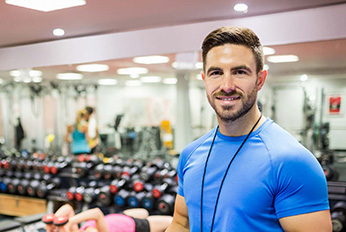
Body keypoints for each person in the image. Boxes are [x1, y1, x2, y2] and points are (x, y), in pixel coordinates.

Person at [166, 26, 332, 231]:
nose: (227, 85)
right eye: (216, 73)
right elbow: (181, 222)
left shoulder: (291, 161)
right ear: (205, 80)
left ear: (260, 79)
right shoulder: (191, 154)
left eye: (239, 72)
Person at [44, 204, 173, 232]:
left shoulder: (73, 230)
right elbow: (96, 212)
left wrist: (53, 221)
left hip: (120, 216)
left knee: (144, 210)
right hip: (134, 225)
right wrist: (70, 221)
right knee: (172, 221)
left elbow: (67, 208)